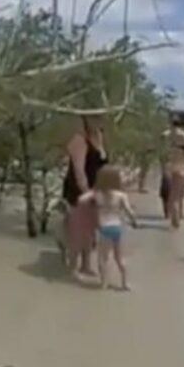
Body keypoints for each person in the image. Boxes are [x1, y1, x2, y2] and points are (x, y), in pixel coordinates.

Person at [61, 114, 109, 277]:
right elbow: (79, 171)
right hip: (79, 190)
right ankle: (72, 266)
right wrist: (86, 192)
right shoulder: (79, 140)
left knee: (90, 229)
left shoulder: (99, 137)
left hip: (96, 189)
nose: (99, 121)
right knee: (78, 229)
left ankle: (86, 265)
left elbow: (102, 165)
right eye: (95, 117)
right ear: (86, 119)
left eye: (100, 117)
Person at [78, 165, 138, 290]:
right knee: (119, 258)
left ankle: (104, 283)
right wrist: (134, 221)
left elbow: (81, 200)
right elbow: (129, 211)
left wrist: (92, 196)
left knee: (102, 258)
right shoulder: (121, 195)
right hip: (117, 227)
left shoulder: (97, 194)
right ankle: (125, 283)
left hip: (104, 228)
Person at [162, 111, 184, 228]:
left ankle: (174, 217)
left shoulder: (165, 135)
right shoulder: (183, 135)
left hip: (169, 165)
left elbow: (162, 151)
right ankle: (176, 220)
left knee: (172, 193)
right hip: (181, 165)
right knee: (178, 193)